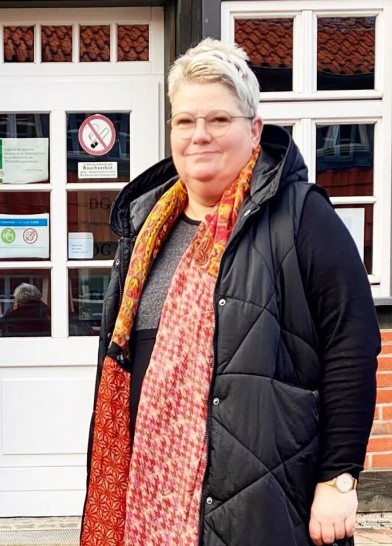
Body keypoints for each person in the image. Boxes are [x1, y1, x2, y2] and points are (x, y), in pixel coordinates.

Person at [81, 38, 379, 546]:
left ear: (255, 129)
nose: (200, 135)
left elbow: (352, 345)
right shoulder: (147, 228)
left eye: (219, 120)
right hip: (153, 506)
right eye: (185, 120)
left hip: (266, 503)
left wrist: (339, 477)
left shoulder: (302, 217)